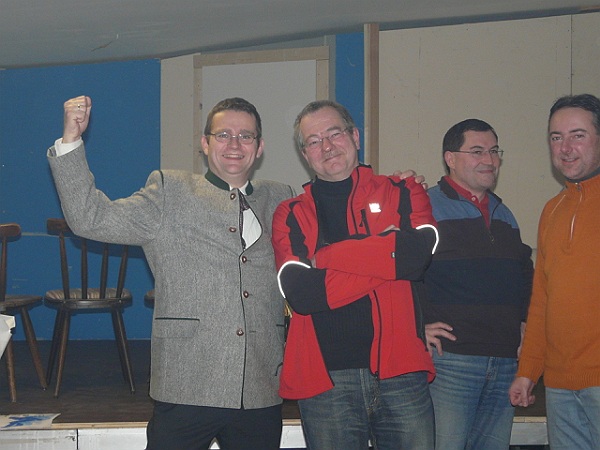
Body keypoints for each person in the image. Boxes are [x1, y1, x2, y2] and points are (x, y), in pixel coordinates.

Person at [47, 95, 295, 450]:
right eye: (223, 135)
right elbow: (91, 218)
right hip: (187, 382)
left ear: (259, 147)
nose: (234, 144)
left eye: (246, 136)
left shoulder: (281, 197)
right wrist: (71, 141)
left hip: (259, 386)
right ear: (205, 143)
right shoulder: (170, 191)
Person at [271, 99, 439, 449]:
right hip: (327, 383)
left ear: (355, 136)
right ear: (304, 154)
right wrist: (387, 256)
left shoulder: (403, 191)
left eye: (334, 134)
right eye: (314, 141)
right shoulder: (290, 213)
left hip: (401, 373)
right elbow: (303, 295)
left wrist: (326, 257)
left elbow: (416, 257)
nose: (327, 146)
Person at [422, 119, 533, 449]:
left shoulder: (504, 213)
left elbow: (524, 275)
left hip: (505, 363)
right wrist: (416, 324)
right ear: (450, 158)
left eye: (494, 151)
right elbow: (398, 275)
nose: (490, 160)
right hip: (451, 363)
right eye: (477, 151)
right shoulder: (424, 207)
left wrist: (525, 321)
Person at [509, 93, 600, 450]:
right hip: (560, 386)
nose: (565, 148)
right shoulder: (553, 210)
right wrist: (528, 371)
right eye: (556, 137)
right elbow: (541, 301)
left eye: (578, 135)